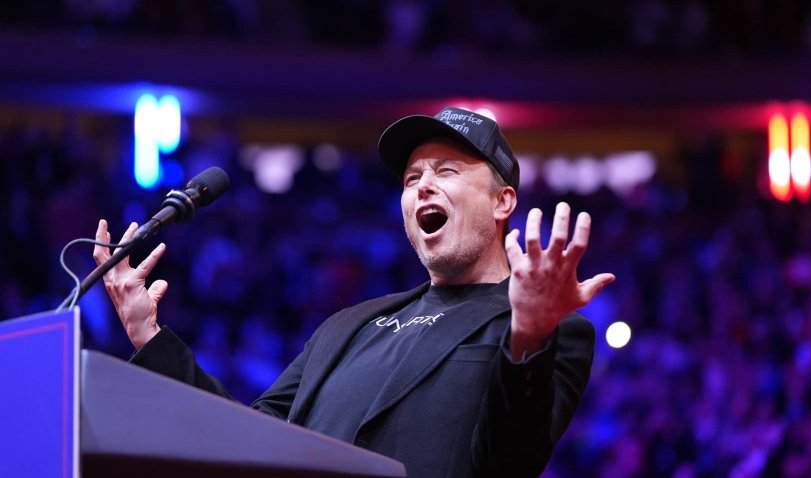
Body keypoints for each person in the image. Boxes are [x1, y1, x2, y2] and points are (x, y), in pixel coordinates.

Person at [93, 106, 615, 478]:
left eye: (446, 171)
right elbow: (245, 436)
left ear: (503, 203)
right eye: (412, 179)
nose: (423, 186)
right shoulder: (348, 325)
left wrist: (529, 334)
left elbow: (509, 462)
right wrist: (149, 334)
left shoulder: (550, 329)